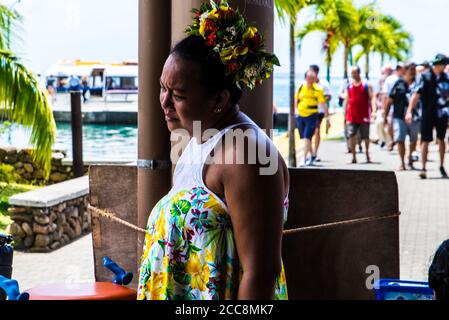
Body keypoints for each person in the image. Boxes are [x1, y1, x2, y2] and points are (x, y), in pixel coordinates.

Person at [137, 1, 289, 300]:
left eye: (178, 94)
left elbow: (260, 272)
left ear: (219, 100)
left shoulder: (247, 157)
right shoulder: (201, 138)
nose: (164, 102)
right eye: (163, 88)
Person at [406, 54, 449, 179]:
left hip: (442, 113)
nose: (445, 66)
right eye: (444, 64)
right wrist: (409, 111)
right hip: (427, 113)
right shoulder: (425, 76)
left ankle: (441, 166)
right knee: (425, 140)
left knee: (441, 139)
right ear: (438, 64)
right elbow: (416, 94)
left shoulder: (446, 78)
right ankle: (423, 168)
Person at [384, 63, 419, 170]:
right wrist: (385, 116)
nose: (412, 72)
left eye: (414, 70)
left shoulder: (418, 84)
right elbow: (390, 100)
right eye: (410, 70)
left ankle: (410, 160)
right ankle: (402, 163)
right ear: (405, 71)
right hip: (399, 116)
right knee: (400, 140)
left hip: (415, 117)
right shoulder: (398, 84)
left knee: (413, 140)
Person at [295, 70, 330, 166]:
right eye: (309, 78)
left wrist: (327, 118)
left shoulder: (318, 89)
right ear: (306, 78)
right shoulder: (301, 87)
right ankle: (312, 155)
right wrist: (296, 111)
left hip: (312, 116)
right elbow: (296, 99)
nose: (311, 80)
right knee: (304, 138)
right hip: (300, 115)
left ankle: (304, 158)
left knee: (307, 136)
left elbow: (323, 104)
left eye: (313, 78)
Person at [344, 66, 374, 164]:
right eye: (352, 73)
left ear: (359, 73)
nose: (353, 75)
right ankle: (353, 156)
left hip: (364, 115)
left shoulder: (366, 85)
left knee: (366, 136)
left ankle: (367, 154)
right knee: (351, 135)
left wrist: (373, 111)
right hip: (351, 115)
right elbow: (347, 100)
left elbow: (372, 98)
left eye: (355, 73)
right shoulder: (349, 86)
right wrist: (345, 115)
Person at [309, 65, 332, 163]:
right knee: (309, 133)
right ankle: (310, 153)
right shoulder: (307, 83)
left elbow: (329, 96)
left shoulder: (324, 83)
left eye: (311, 71)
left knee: (317, 131)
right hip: (308, 111)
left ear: (316, 72)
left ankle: (315, 153)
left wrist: (319, 99)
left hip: (319, 111)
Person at [382, 63, 405, 151]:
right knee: (390, 125)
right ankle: (392, 140)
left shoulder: (405, 78)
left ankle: (396, 141)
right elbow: (385, 94)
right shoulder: (390, 79)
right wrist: (384, 108)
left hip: (402, 107)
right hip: (391, 107)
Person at [372, 65, 393, 148]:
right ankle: (384, 140)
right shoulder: (380, 82)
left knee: (389, 125)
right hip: (381, 108)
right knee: (380, 122)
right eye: (387, 71)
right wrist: (374, 110)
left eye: (390, 71)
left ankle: (389, 141)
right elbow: (374, 96)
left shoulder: (394, 80)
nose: (388, 73)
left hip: (391, 108)